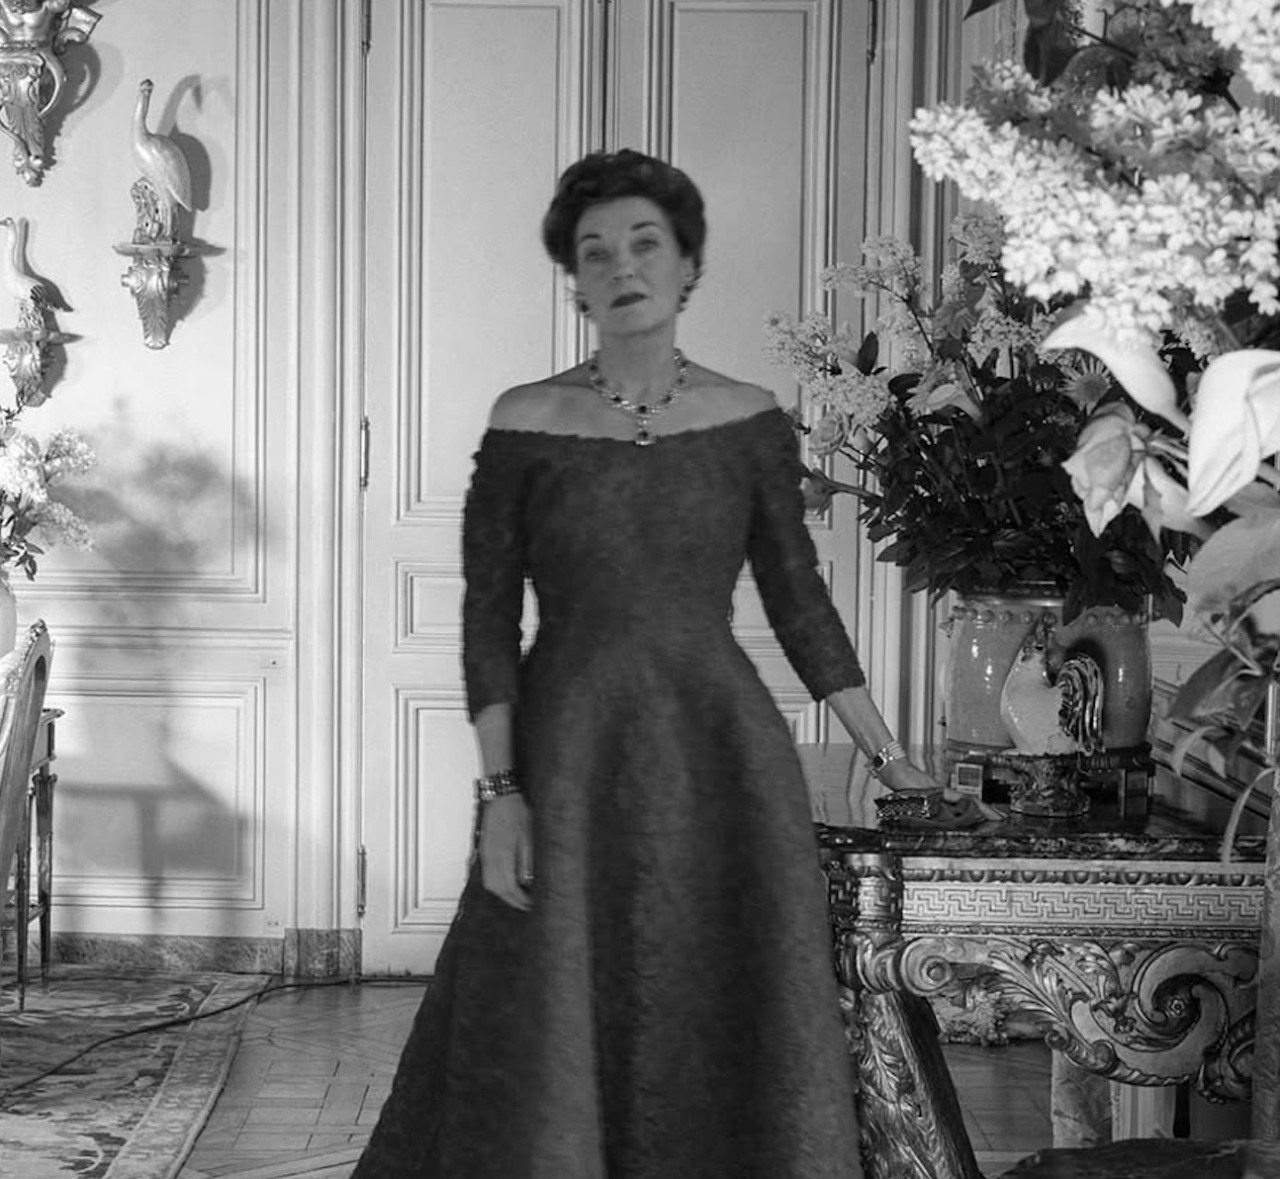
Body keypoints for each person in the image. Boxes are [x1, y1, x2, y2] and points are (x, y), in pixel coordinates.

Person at [350, 148, 942, 1179]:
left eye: (644, 244)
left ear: (687, 266)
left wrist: (889, 758)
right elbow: (487, 621)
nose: (621, 266)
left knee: (716, 997)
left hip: (721, 759)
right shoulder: (524, 419)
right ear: (573, 283)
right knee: (543, 995)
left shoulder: (750, 418)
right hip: (565, 756)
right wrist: (500, 791)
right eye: (595, 252)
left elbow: (798, 603)